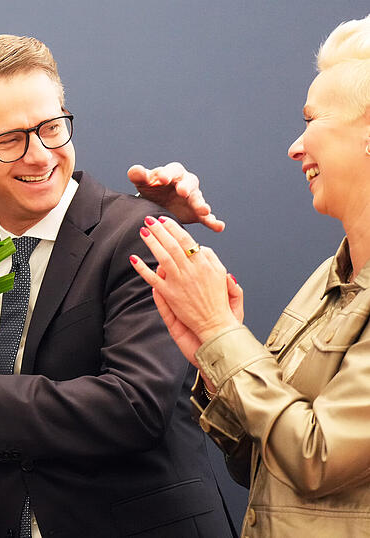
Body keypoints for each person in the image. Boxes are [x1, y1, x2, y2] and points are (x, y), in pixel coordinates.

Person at [0, 35, 234, 537]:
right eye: (9, 139)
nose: (40, 155)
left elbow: (136, 407)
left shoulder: (141, 233)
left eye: (52, 128)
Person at [130, 14, 370, 537]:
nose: (295, 147)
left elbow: (315, 458)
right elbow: (262, 465)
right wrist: (214, 362)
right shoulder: (325, 280)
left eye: (312, 120)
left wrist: (223, 333)